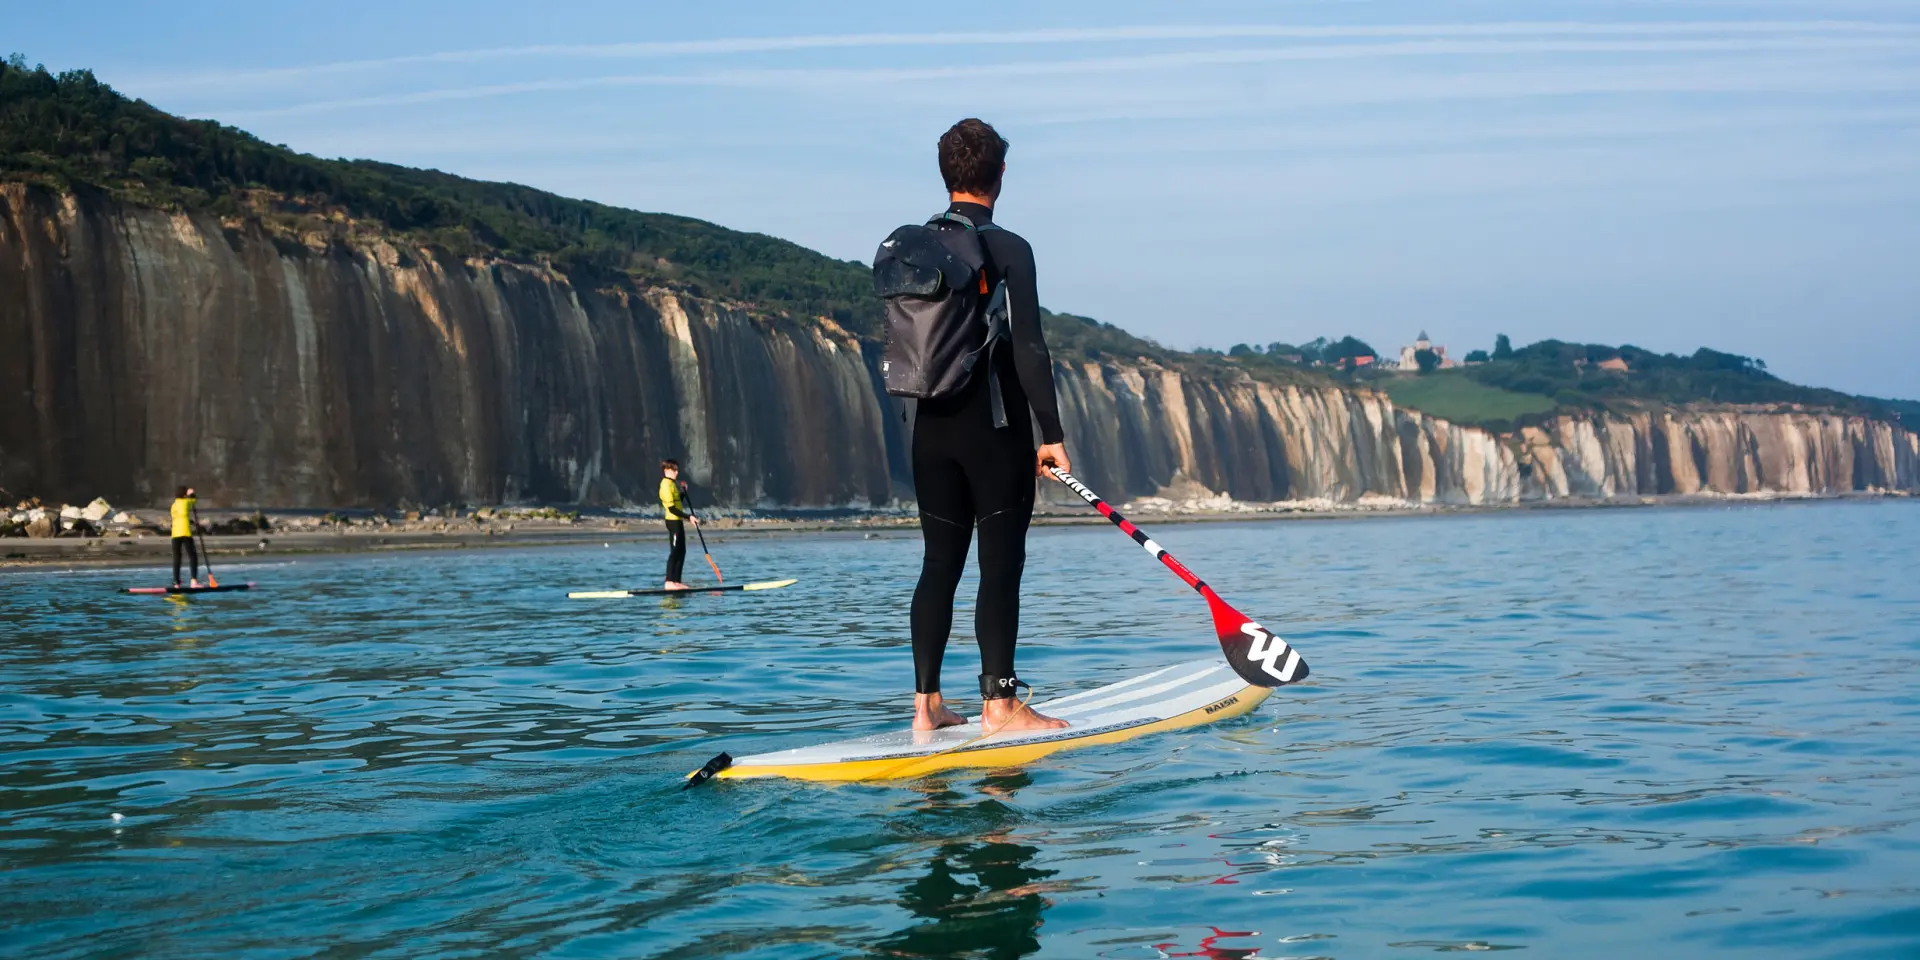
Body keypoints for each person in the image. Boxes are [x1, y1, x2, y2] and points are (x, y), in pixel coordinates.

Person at [909, 118, 1072, 734]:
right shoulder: (1009, 247)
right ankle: (1000, 706)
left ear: (947, 174)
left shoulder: (915, 245)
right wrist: (1049, 432)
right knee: (999, 563)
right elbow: (1029, 348)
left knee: (939, 564)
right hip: (994, 427)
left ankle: (927, 709)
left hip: (928, 427)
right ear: (999, 175)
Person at [659, 459, 699, 590]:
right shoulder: (665, 485)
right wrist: (689, 517)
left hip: (678, 520)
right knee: (675, 551)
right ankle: (669, 582)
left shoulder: (673, 484)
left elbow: (678, 503)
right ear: (666, 471)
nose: (677, 472)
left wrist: (683, 492)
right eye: (674, 470)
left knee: (682, 551)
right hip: (672, 521)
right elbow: (671, 509)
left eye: (677, 469)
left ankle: (676, 581)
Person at [170, 485, 201, 589]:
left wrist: (191, 521)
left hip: (174, 534)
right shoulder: (186, 502)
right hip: (185, 533)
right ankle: (194, 582)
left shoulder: (173, 505)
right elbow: (194, 500)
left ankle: (176, 583)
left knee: (177, 559)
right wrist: (191, 493)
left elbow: (180, 516)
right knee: (193, 556)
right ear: (184, 494)